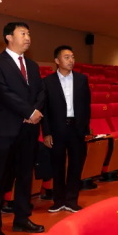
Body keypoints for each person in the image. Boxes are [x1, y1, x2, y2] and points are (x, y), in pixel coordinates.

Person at [0, 22, 46, 235]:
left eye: (29, 33)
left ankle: (22, 218)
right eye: (23, 33)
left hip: (29, 128)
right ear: (9, 37)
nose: (28, 37)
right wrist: (28, 111)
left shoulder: (33, 65)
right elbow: (4, 92)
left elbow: (41, 92)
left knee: (25, 176)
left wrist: (35, 112)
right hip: (7, 129)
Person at [41, 45, 91, 213]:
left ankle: (71, 200)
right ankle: (59, 200)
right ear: (57, 60)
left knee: (76, 165)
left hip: (77, 128)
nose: (71, 60)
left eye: (72, 57)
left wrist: (85, 128)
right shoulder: (47, 82)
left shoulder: (82, 79)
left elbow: (86, 106)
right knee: (58, 166)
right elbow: (44, 110)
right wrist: (46, 132)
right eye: (67, 57)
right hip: (57, 129)